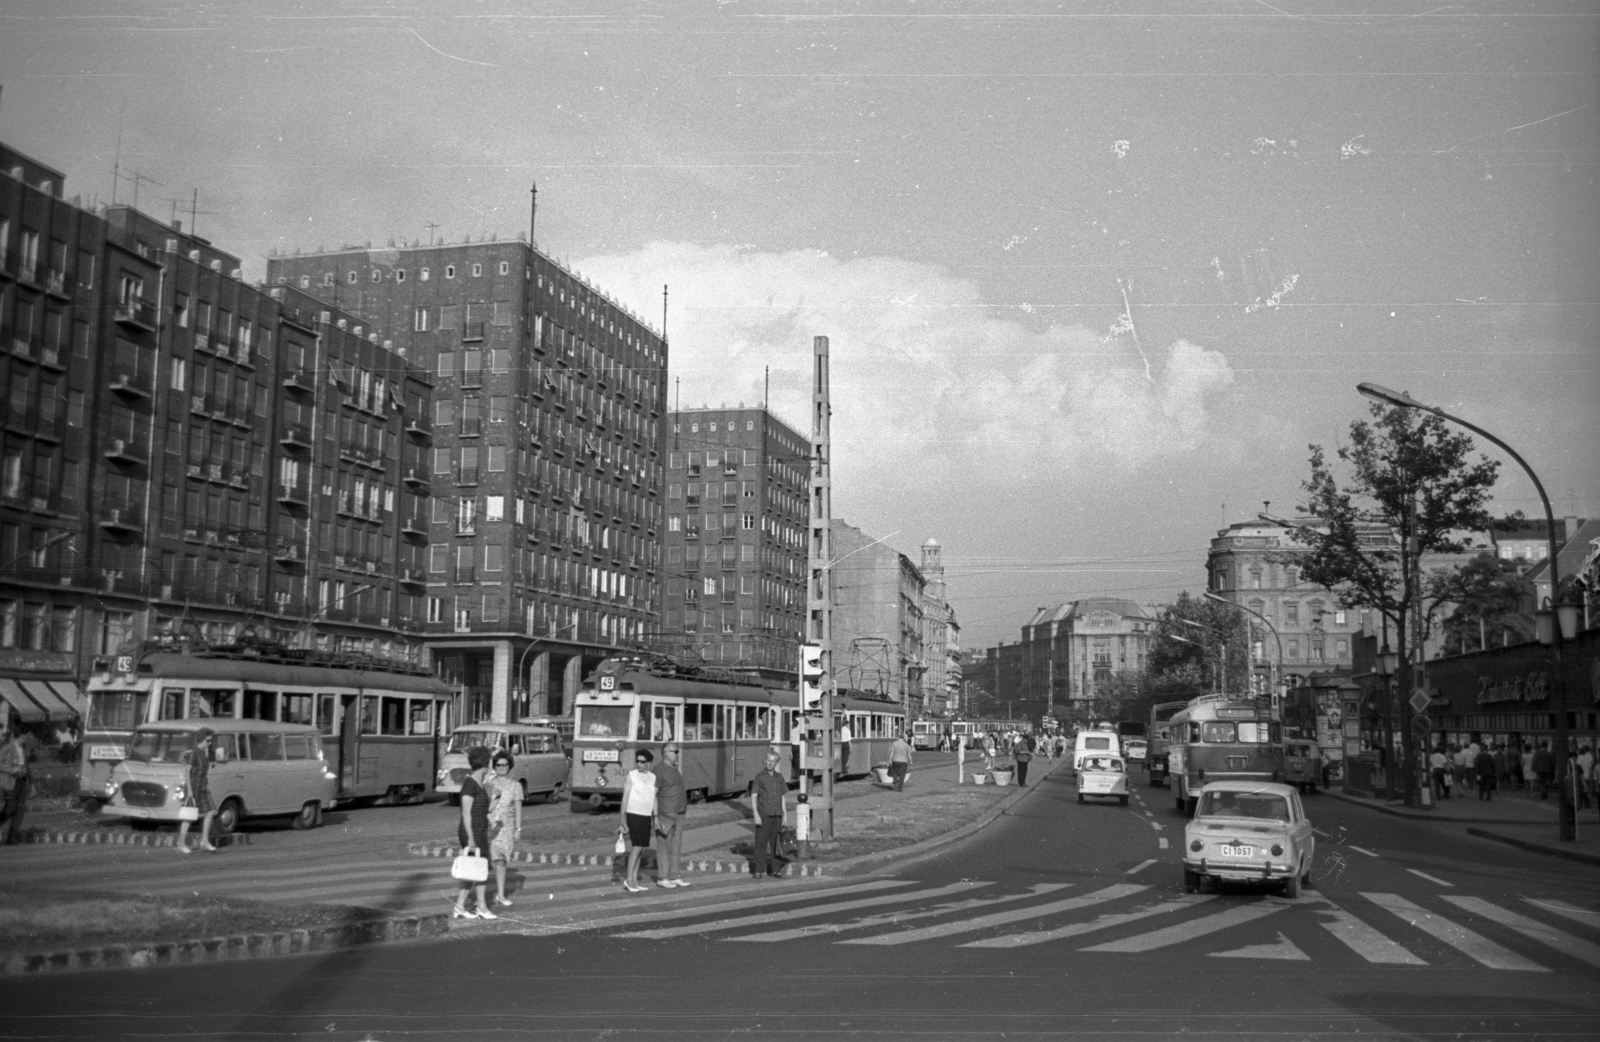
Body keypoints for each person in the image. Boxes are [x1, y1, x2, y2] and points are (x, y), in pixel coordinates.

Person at [453, 745, 496, 919]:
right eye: (491, 761)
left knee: (472, 869)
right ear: (485, 763)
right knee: (481, 869)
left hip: (479, 830)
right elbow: (466, 813)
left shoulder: (479, 784)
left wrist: (496, 798)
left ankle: (459, 907)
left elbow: (484, 810)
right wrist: (470, 837)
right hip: (471, 832)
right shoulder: (470, 785)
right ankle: (482, 907)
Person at [483, 750, 522, 907]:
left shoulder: (516, 786)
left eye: (505, 765)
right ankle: (482, 897)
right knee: (485, 862)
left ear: (509, 766)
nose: (501, 768)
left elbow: (518, 809)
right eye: (498, 765)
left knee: (501, 861)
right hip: (488, 828)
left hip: (506, 828)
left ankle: (500, 895)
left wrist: (518, 829)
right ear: (494, 766)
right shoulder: (488, 785)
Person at [620, 747, 658, 893]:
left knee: (641, 848)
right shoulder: (631, 776)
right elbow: (625, 798)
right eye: (637, 761)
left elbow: (653, 799)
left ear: (648, 763)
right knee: (636, 847)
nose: (639, 764)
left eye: (642, 762)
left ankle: (634, 880)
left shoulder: (652, 777)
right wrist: (622, 819)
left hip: (646, 815)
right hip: (633, 815)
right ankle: (628, 879)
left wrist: (655, 817)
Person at [177, 728, 219, 854]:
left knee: (211, 812)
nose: (210, 743)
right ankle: (181, 843)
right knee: (189, 816)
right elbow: (187, 772)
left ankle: (204, 842)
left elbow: (204, 773)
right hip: (193, 788)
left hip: (202, 788)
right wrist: (189, 790)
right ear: (201, 739)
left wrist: (206, 786)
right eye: (208, 740)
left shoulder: (204, 753)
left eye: (211, 741)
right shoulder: (193, 753)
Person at [653, 742, 690, 888]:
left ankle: (674, 876)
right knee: (664, 846)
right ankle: (662, 878)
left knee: (676, 845)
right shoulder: (658, 770)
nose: (677, 754)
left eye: (677, 751)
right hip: (665, 814)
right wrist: (656, 816)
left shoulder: (674, 770)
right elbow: (653, 794)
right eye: (675, 752)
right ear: (665, 753)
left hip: (679, 812)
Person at [748, 749, 788, 879]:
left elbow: (782, 797)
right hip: (764, 814)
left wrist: (785, 814)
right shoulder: (759, 777)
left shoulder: (779, 777)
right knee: (761, 843)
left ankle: (775, 869)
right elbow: (754, 797)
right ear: (765, 761)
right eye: (768, 760)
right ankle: (759, 869)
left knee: (776, 843)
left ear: (776, 763)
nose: (770, 763)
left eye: (773, 761)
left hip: (777, 815)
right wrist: (756, 814)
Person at [0, 721, 28, 844]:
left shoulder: (22, 748)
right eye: (26, 735)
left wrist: (29, 780)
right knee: (10, 808)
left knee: (20, 809)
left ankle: (12, 837)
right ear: (21, 736)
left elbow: (26, 765)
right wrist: (14, 770)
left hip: (22, 780)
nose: (27, 738)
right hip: (11, 780)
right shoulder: (7, 748)